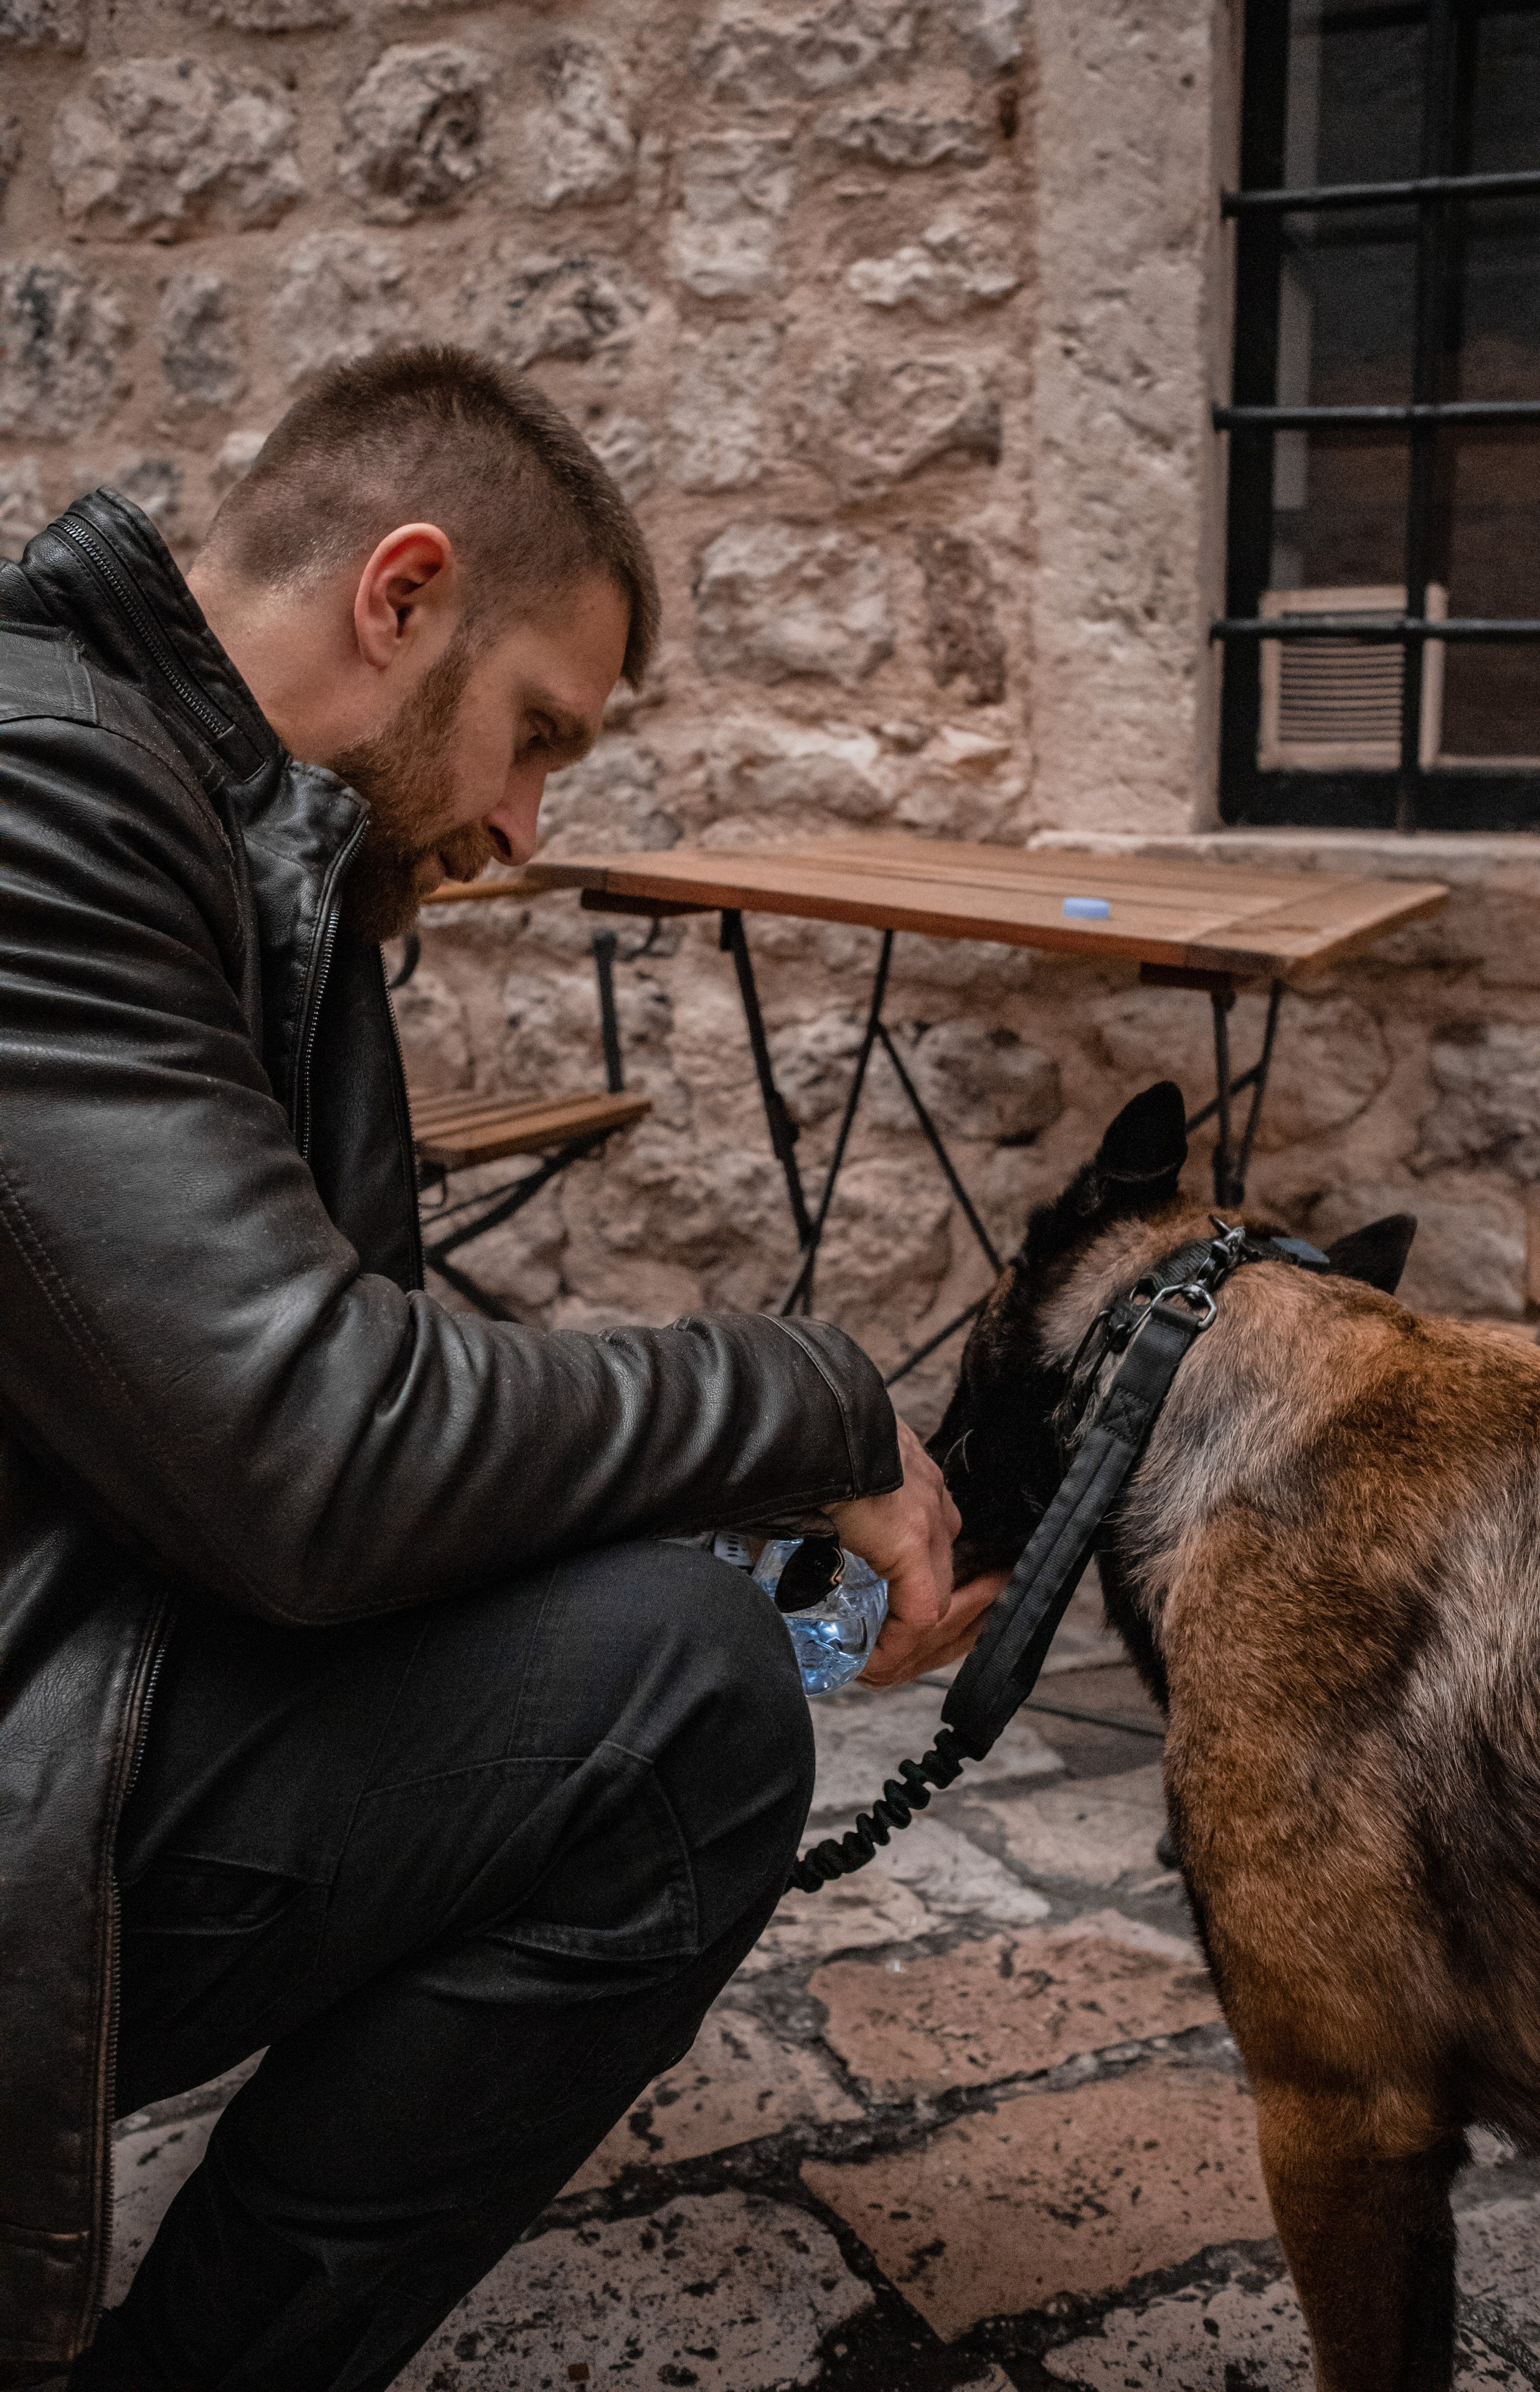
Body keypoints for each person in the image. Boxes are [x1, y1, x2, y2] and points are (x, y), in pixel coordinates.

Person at [0, 347, 998, 2391]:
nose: (526, 829)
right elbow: (315, 1462)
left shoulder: (250, 849)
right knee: (679, 1713)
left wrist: (769, 1570)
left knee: (705, 1654)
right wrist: (812, 1395)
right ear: (403, 595)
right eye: (536, 735)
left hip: (79, 1670)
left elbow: (344, 1448)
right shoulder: (43, 792)